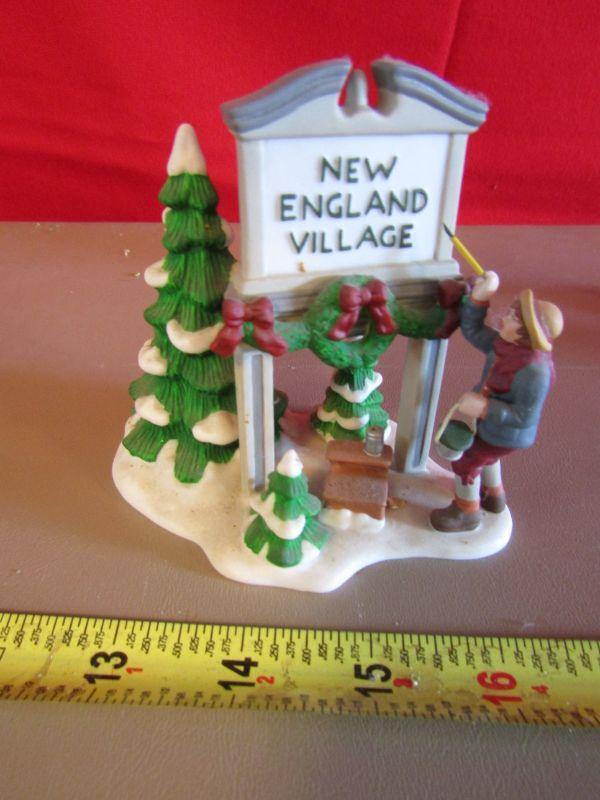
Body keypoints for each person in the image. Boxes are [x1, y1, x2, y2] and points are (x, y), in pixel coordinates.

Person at [430, 271, 563, 532]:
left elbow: (524, 416)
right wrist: (480, 298)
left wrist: (485, 408)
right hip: (491, 427)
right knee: (487, 457)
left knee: (468, 460)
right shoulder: (508, 347)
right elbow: (474, 331)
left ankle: (466, 511)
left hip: (505, 433)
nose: (505, 319)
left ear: (528, 332)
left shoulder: (536, 372)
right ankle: (494, 495)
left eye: (513, 318)